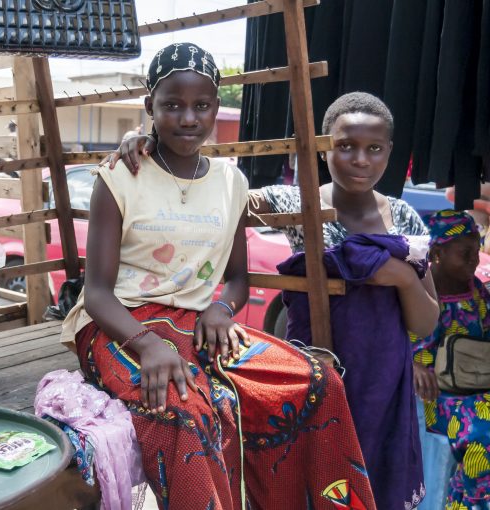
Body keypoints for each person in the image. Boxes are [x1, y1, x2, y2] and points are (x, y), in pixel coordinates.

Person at [62, 42, 374, 509]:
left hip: (195, 320)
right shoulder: (120, 176)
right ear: (150, 107)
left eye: (201, 105)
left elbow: (237, 280)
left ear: (216, 108)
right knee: (184, 409)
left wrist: (222, 308)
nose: (188, 118)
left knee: (318, 382)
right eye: (172, 105)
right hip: (120, 323)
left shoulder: (232, 182)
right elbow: (98, 294)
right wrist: (147, 344)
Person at [108, 91, 440, 508]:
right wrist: (153, 146)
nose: (360, 160)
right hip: (318, 370)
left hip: (385, 381)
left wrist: (402, 281)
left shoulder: (404, 217)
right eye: (345, 146)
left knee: (379, 480)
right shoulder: (298, 202)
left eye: (374, 149)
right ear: (322, 148)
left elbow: (426, 322)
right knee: (316, 482)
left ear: (389, 153)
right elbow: (221, 193)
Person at [412, 210, 490, 509]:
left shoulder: (477, 292)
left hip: (476, 388)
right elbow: (388, 340)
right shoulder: (418, 292)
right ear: (437, 253)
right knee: (483, 431)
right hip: (438, 397)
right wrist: (413, 365)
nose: (474, 259)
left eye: (476, 249)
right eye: (464, 252)